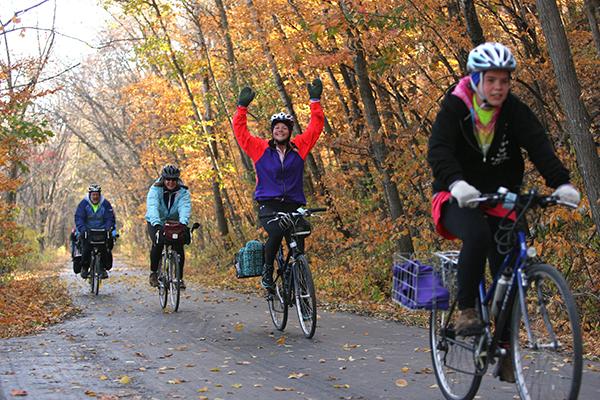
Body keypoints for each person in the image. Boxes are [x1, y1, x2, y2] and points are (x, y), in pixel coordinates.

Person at [427, 42, 580, 383]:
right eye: (491, 79)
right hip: (457, 195)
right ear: (477, 78)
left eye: (505, 80)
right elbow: (438, 150)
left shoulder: (513, 109)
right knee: (478, 236)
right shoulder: (454, 106)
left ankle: (505, 347)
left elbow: (538, 143)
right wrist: (455, 183)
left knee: (508, 272)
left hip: (499, 196)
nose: (499, 87)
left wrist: (561, 183)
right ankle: (466, 309)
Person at [233, 78, 324, 289]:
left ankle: (298, 280)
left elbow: (316, 127)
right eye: (277, 128)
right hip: (269, 205)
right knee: (275, 233)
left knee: (298, 246)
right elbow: (241, 133)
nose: (280, 130)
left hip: (294, 204)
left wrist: (315, 101)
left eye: (284, 127)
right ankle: (267, 270)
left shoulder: (300, 147)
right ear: (272, 131)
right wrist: (241, 108)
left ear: (289, 131)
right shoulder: (259, 148)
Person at [145, 165, 191, 289]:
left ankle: (179, 278)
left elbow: (184, 208)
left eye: (173, 179)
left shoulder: (183, 191)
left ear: (177, 180)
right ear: (163, 179)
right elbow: (153, 206)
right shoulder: (155, 189)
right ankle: (154, 273)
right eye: (168, 179)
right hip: (156, 221)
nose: (170, 182)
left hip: (173, 222)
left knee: (179, 245)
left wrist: (183, 224)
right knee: (158, 242)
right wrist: (157, 224)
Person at [74, 184, 116, 279]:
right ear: (90, 195)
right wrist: (83, 230)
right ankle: (84, 268)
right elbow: (79, 218)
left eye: (97, 194)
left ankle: (103, 268)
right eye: (93, 195)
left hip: (101, 231)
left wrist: (108, 228)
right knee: (86, 250)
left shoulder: (105, 204)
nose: (95, 197)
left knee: (104, 249)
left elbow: (110, 218)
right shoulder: (83, 204)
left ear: (100, 194)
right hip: (88, 232)